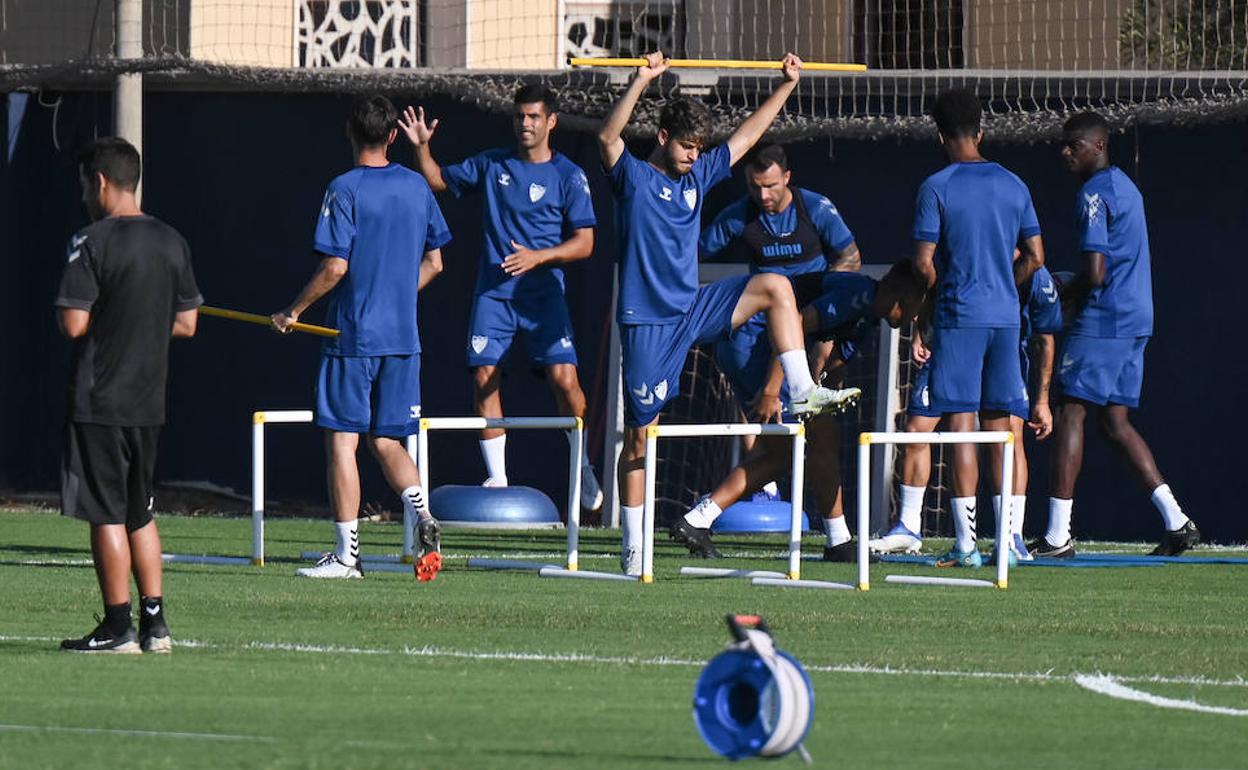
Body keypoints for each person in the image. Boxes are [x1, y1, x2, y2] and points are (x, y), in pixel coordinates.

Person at [597, 51, 857, 576]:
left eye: (700, 149)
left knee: (775, 286)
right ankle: (633, 548)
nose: (695, 156)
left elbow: (745, 137)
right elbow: (607, 138)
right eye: (687, 146)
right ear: (664, 136)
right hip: (648, 323)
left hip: (692, 307)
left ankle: (803, 387)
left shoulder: (699, 177)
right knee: (639, 438)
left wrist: (786, 86)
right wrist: (640, 82)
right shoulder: (634, 180)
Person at [271, 95, 451, 581]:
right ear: (393, 136)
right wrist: (395, 292)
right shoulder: (417, 187)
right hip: (403, 338)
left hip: (351, 335)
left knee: (343, 443)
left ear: (350, 132)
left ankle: (348, 556)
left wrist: (293, 311)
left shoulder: (344, 188)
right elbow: (435, 263)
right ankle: (422, 514)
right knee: (390, 441)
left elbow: (335, 265)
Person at [399, 86, 603, 511]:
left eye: (533, 117)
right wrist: (421, 147)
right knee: (483, 376)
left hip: (544, 296)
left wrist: (539, 257)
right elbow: (436, 179)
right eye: (519, 116)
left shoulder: (569, 175)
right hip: (494, 294)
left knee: (565, 382)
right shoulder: (493, 163)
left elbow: (585, 243)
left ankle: (581, 462)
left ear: (551, 122)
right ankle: (498, 475)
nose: (525, 124)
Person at [671, 263, 925, 561]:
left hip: (750, 348)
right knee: (820, 438)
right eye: (917, 308)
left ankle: (698, 519)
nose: (915, 318)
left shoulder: (866, 315)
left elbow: (833, 369)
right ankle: (839, 541)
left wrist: (827, 392)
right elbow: (796, 325)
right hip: (754, 344)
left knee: (781, 455)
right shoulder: (858, 294)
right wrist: (772, 387)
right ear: (904, 297)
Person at [56, 137, 202, 653]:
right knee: (141, 511)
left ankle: (118, 627)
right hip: (149, 399)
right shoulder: (172, 241)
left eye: (84, 185)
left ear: (99, 182)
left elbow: (74, 322)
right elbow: (186, 323)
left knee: (106, 513)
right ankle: (155, 624)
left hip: (101, 399)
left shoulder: (91, 241)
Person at [1031, 111, 1199, 558]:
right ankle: (1177, 520)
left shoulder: (1093, 193)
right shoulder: (1127, 187)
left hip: (1105, 320)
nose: (1065, 152)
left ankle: (1057, 535)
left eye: (1073, 145)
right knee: (1115, 423)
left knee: (1070, 411)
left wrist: (1068, 294)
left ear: (1099, 145)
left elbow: (1096, 272)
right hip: (1137, 318)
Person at [910, 88, 1045, 568]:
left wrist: (929, 314)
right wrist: (1004, 289)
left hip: (960, 318)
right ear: (981, 131)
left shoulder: (937, 186)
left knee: (961, 428)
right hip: (1006, 320)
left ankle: (967, 545)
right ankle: (1009, 541)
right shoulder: (1015, 184)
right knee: (1001, 429)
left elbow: (924, 263)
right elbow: (1036, 258)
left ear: (941, 135)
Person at [871, 263, 1062, 560]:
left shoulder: (1036, 277)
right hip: (954, 346)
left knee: (1010, 433)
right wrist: (925, 330)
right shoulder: (963, 256)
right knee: (917, 429)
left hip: (1005, 353)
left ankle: (1010, 533)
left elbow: (1046, 340)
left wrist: (1042, 401)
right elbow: (930, 282)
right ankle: (909, 525)